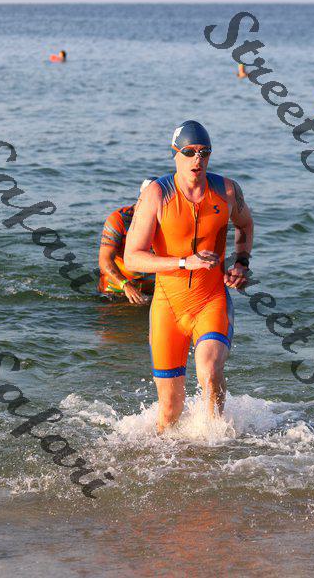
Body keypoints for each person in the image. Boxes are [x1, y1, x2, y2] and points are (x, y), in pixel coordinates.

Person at [124, 120, 254, 433]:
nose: (198, 159)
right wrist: (185, 263)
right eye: (190, 152)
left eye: (204, 152)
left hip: (211, 300)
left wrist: (241, 263)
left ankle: (217, 441)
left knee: (209, 371)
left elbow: (245, 225)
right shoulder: (157, 194)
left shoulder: (226, 191)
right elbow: (132, 257)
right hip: (168, 307)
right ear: (175, 154)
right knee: (170, 409)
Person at [98, 178, 156, 304]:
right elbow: (104, 259)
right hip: (116, 291)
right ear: (140, 199)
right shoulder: (119, 219)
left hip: (152, 291)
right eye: (149, 202)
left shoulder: (168, 219)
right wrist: (125, 284)